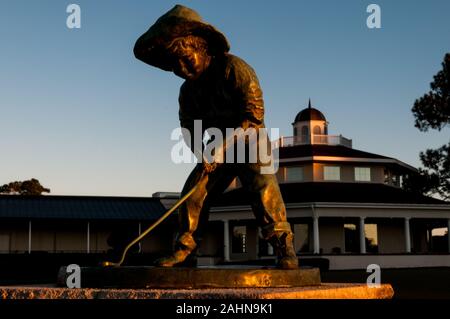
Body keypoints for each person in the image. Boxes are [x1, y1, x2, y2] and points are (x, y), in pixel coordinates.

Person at [134, 5, 298, 269]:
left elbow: (254, 117)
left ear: (203, 49)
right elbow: (188, 126)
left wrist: (223, 146)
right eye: (175, 65)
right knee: (195, 191)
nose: (183, 68)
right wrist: (202, 153)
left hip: (250, 140)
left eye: (187, 59)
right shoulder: (187, 92)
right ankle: (185, 249)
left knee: (263, 186)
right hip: (215, 148)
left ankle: (284, 248)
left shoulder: (234, 68)